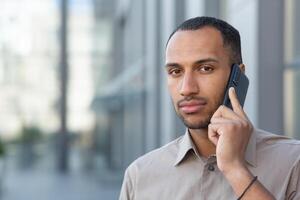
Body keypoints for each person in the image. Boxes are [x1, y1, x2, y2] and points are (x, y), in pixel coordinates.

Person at [119, 16, 300, 200]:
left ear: (239, 76)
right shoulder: (139, 176)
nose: (187, 88)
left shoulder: (294, 163)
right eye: (176, 71)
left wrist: (235, 169)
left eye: (205, 68)